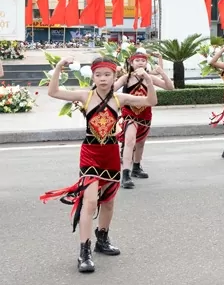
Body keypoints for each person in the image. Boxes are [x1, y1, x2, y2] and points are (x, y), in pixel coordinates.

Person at [40, 56, 158, 273]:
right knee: (91, 202)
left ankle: (102, 239)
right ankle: (84, 251)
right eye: (98, 75)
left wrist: (149, 82)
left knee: (109, 202)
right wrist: (58, 67)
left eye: (107, 75)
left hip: (111, 154)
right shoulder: (86, 96)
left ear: (114, 77)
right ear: (93, 76)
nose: (103, 79)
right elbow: (53, 92)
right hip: (90, 154)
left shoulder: (119, 98)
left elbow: (151, 102)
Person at [115, 50, 174, 189]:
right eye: (137, 60)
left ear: (146, 63)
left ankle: (136, 167)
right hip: (129, 113)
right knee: (130, 141)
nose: (141, 63)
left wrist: (162, 72)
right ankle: (125, 174)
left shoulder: (150, 78)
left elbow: (170, 87)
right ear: (131, 63)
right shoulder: (126, 78)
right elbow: (112, 88)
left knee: (140, 144)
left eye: (143, 60)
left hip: (145, 115)